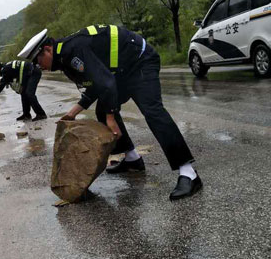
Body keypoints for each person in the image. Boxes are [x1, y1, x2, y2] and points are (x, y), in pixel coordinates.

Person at [18, 26, 202, 200]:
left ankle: (189, 173)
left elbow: (106, 83)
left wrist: (111, 117)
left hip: (140, 61)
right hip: (122, 71)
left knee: (152, 111)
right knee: (102, 109)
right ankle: (132, 159)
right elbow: (96, 85)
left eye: (37, 60)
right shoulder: (64, 58)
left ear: (48, 49)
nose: (38, 66)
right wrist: (73, 112)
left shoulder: (73, 51)